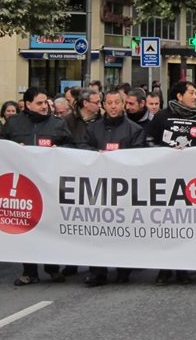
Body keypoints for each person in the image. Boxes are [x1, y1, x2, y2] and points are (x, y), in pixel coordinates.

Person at [2, 88, 73, 285]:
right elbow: (1, 148)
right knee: (27, 228)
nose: (44, 107)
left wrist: (59, 150)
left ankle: (52, 268)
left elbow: (72, 146)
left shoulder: (58, 124)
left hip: (50, 184)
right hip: (24, 184)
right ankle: (29, 271)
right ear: (28, 104)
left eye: (45, 102)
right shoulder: (13, 123)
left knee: (51, 227)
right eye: (39, 103)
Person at [147, 80, 196, 286]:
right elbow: (148, 141)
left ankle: (183, 267)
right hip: (165, 180)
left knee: (187, 225)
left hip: (191, 181)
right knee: (166, 225)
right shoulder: (162, 117)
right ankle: (164, 269)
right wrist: (166, 153)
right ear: (179, 96)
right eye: (191, 93)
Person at [80, 89, 146, 286]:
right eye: (109, 103)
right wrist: (96, 154)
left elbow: (139, 155)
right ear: (103, 105)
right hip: (98, 187)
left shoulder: (134, 129)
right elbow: (83, 149)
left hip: (123, 188)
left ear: (123, 104)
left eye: (117, 102)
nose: (113, 106)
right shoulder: (93, 129)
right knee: (97, 230)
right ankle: (97, 271)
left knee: (123, 230)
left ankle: (123, 269)